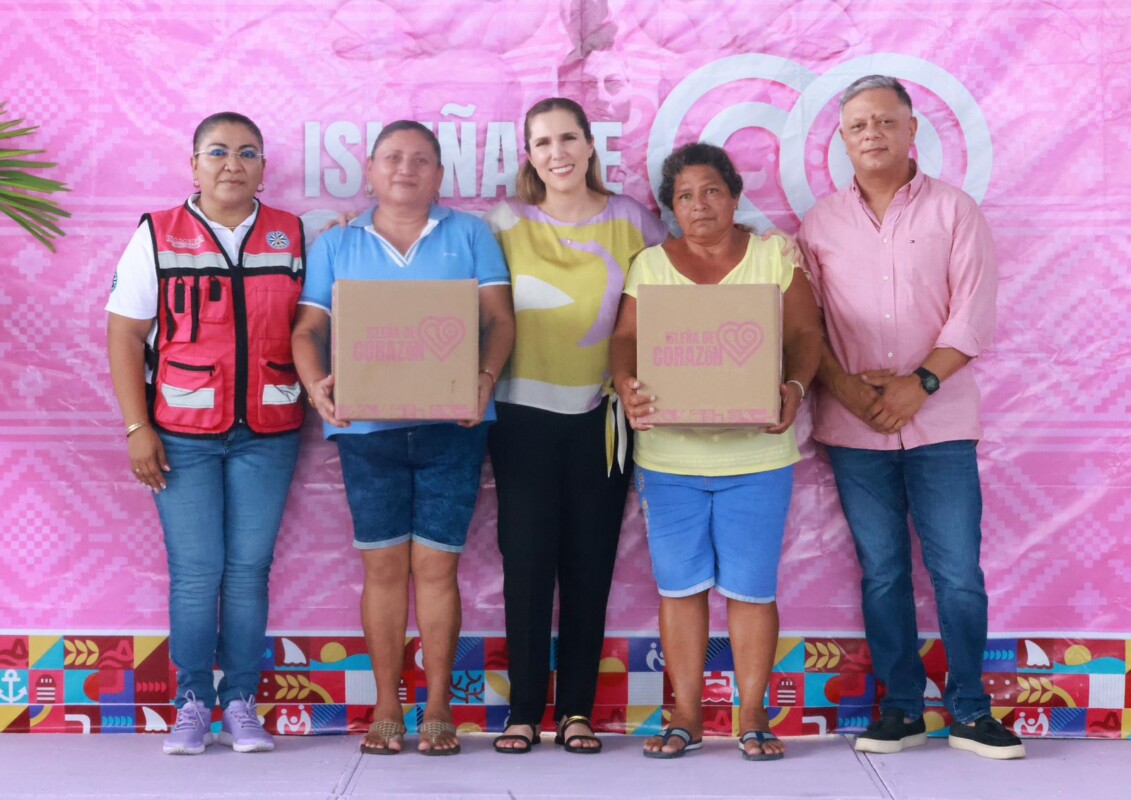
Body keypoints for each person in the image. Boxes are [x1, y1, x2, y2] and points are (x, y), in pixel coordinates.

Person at [797, 75, 1025, 760]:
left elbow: (972, 314)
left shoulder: (955, 211)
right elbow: (805, 326)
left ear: (910, 129)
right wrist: (849, 389)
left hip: (942, 423)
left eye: (884, 121)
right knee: (884, 573)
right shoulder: (819, 224)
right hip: (853, 427)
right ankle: (900, 708)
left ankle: (969, 709)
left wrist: (917, 384)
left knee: (957, 572)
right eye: (857, 125)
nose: (871, 134)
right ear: (842, 140)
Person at [291, 120, 514, 757]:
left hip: (455, 429)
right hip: (367, 432)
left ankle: (439, 707)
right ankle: (389, 704)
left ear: (440, 175)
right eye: (393, 157)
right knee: (383, 570)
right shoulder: (338, 245)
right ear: (370, 169)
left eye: (421, 159)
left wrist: (483, 378)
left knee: (437, 570)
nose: (406, 169)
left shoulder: (470, 235)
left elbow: (499, 321)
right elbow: (307, 330)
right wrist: (316, 387)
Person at [610, 142, 821, 760]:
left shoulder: (774, 256)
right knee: (680, 589)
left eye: (710, 191)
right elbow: (625, 339)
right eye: (683, 196)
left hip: (756, 457)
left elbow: (806, 332)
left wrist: (795, 387)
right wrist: (626, 385)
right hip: (669, 459)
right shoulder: (650, 265)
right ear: (671, 208)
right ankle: (685, 715)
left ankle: (752, 715)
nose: (698, 205)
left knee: (752, 589)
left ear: (733, 196)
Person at [106, 112, 305, 755]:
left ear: (264, 167)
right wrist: (138, 426)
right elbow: (125, 335)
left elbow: (317, 324)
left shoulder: (291, 234)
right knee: (197, 572)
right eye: (216, 152)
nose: (231, 164)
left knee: (248, 571)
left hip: (269, 432)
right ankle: (193, 702)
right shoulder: (157, 235)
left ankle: (241, 701)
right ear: (193, 164)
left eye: (247, 152)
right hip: (182, 434)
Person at [483, 97, 667, 755]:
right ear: (528, 155)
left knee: (590, 564)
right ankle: (523, 713)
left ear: (590, 146)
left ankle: (578, 713)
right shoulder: (504, 222)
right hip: (521, 417)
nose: (556, 152)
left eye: (567, 138)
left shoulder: (632, 220)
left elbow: (671, 302)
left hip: (605, 420)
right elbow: (455, 286)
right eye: (541, 142)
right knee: (527, 563)